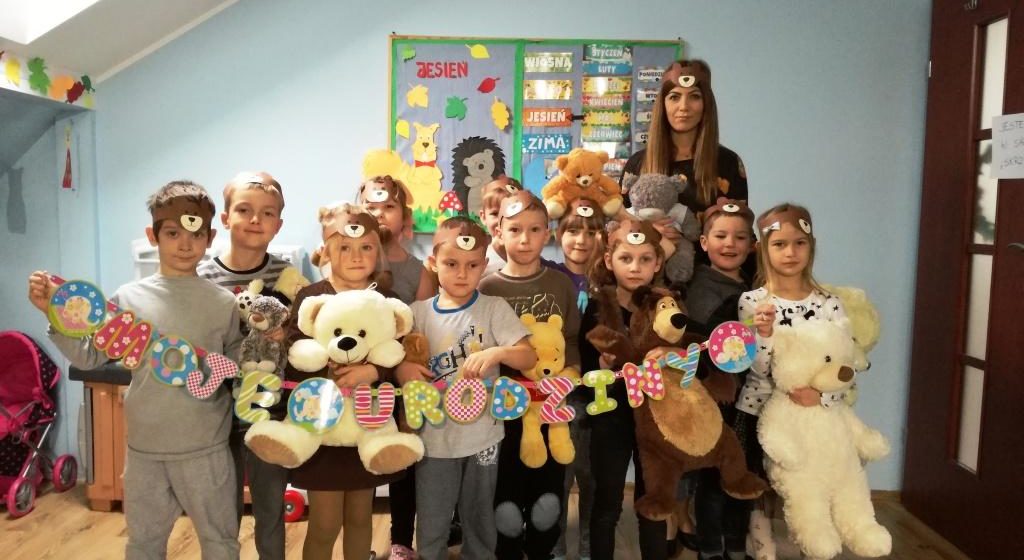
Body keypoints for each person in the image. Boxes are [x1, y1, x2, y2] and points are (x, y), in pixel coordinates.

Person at [28, 180, 243, 559]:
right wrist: (54, 314)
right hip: (145, 450)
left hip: (206, 450)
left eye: (196, 235)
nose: (185, 244)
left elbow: (237, 365)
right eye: (172, 233)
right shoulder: (128, 299)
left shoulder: (223, 303)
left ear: (210, 238)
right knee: (143, 544)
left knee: (220, 543)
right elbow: (89, 357)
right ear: (152, 235)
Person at [396, 216, 536, 560]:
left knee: (479, 512)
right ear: (433, 263)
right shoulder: (417, 313)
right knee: (432, 515)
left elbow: (528, 356)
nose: (462, 274)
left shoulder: (493, 308)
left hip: (483, 436)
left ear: (484, 266)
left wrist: (497, 352)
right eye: (451, 264)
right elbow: (397, 360)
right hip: (433, 438)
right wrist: (403, 369)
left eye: (472, 265)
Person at [285, 203, 400, 560]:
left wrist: (374, 372)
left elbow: (400, 354)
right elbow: (294, 352)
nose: (356, 256)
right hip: (323, 430)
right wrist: (326, 371)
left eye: (366, 247)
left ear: (378, 251)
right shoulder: (311, 298)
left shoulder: (386, 300)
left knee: (360, 517)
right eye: (345, 248)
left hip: (366, 425)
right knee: (325, 522)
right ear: (326, 251)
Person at [736, 202, 851, 556]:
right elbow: (755, 368)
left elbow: (844, 367)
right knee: (758, 484)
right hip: (759, 410)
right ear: (763, 249)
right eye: (780, 244)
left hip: (817, 416)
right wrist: (764, 334)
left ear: (811, 246)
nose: (790, 252)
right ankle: (762, 546)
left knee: (813, 485)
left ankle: (812, 546)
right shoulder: (752, 302)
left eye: (799, 243)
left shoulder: (830, 304)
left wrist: (823, 398)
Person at [479, 191, 581, 560]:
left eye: (535, 230)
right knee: (505, 500)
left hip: (551, 410)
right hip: (503, 413)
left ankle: (541, 551)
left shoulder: (561, 284)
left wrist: (570, 375)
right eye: (515, 230)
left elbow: (572, 339)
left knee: (547, 501)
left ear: (547, 234)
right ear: (498, 234)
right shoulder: (487, 287)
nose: (525, 239)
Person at [197, 171, 290, 560]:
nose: (255, 219)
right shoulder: (202, 276)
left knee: (270, 507)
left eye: (267, 213)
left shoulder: (287, 276)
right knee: (222, 508)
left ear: (278, 224)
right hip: (216, 408)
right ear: (225, 218)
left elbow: (306, 334)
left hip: (270, 410)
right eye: (244, 210)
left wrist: (287, 336)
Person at [580, 218, 669, 560]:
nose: (635, 267)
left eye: (645, 259)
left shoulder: (665, 306)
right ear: (609, 260)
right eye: (626, 258)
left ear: (657, 263)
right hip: (611, 420)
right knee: (607, 503)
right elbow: (584, 369)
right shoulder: (596, 308)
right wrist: (601, 366)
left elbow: (693, 346)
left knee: (652, 504)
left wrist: (671, 355)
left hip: (655, 420)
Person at [356, 174, 434, 560]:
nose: (379, 213)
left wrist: (402, 365)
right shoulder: (352, 263)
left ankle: (401, 540)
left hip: (401, 385)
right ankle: (359, 545)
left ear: (406, 217)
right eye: (370, 206)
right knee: (359, 465)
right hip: (358, 382)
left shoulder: (420, 273)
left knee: (403, 463)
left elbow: (423, 336)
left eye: (388, 206)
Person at [621, 59, 750, 285]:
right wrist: (651, 232)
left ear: (706, 103)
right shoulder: (637, 164)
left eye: (694, 96)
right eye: (674, 97)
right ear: (663, 104)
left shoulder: (728, 163)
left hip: (711, 286)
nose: (684, 106)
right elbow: (619, 229)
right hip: (649, 287)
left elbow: (739, 230)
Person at [684, 198, 757, 560]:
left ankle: (737, 543)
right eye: (721, 236)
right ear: (704, 242)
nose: (730, 244)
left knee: (743, 472)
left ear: (751, 245)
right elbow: (707, 344)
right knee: (714, 475)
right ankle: (711, 547)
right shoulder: (701, 287)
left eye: (740, 237)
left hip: (750, 398)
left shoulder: (756, 286)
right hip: (716, 398)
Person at [547, 198, 605, 560]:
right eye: (572, 230)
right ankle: (555, 548)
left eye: (592, 231)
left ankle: (587, 547)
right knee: (560, 474)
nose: (582, 240)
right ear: (558, 234)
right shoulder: (549, 274)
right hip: (558, 389)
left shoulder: (609, 279)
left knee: (591, 476)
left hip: (597, 390)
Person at [476, 175, 523, 277]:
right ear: (483, 217)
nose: (503, 220)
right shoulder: (477, 259)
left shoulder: (530, 252)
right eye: (495, 214)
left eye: (511, 212)